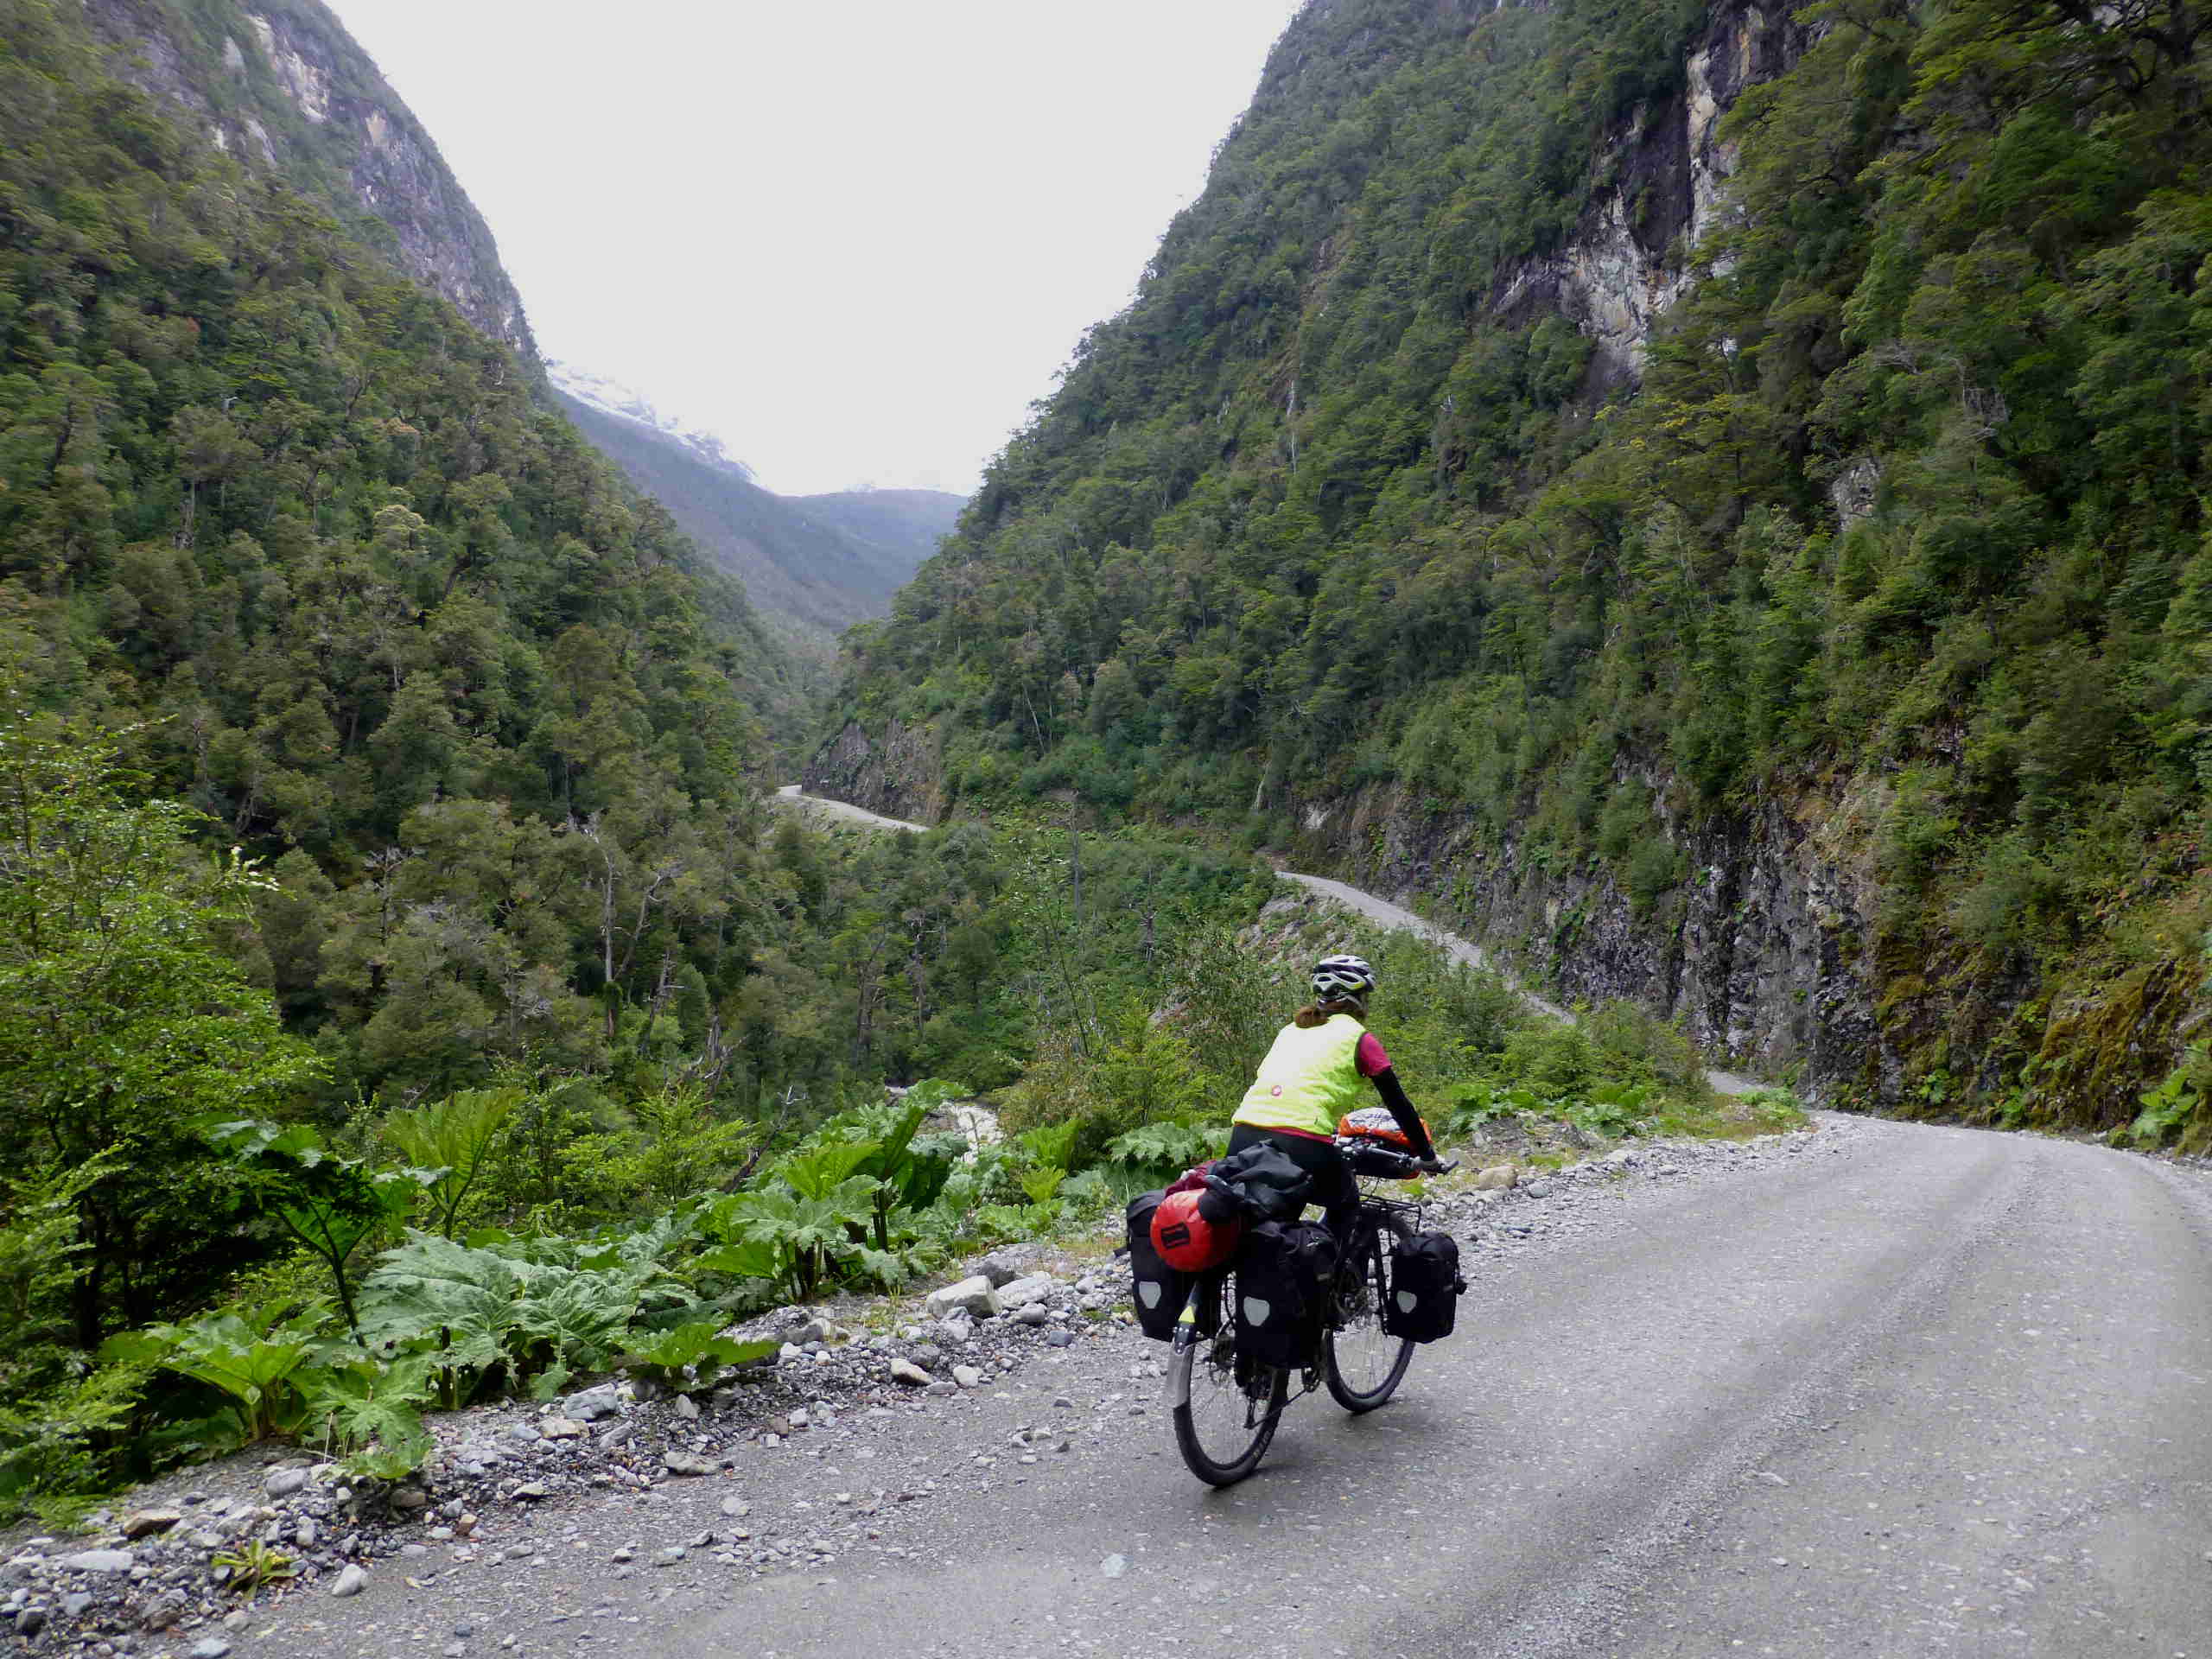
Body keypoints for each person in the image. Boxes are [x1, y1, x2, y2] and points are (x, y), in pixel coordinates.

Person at [1228, 953, 1441, 1238]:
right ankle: (1328, 1266)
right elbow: (1397, 1103)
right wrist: (1426, 1154)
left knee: (1264, 1220)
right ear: (1358, 999)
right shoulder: (1359, 1038)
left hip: (1243, 1135)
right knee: (1346, 1202)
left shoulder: (1289, 1031)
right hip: (1302, 1140)